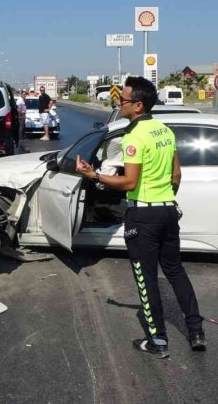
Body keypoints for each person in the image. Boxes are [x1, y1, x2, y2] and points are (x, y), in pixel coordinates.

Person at [75, 76, 205, 359]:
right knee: (175, 271)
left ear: (138, 105)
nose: (118, 103)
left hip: (144, 215)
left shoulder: (134, 136)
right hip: (168, 211)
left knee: (146, 280)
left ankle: (157, 341)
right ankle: (196, 331)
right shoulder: (164, 131)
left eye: (122, 100)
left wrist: (94, 175)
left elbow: (130, 182)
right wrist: (166, 200)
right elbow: (176, 175)